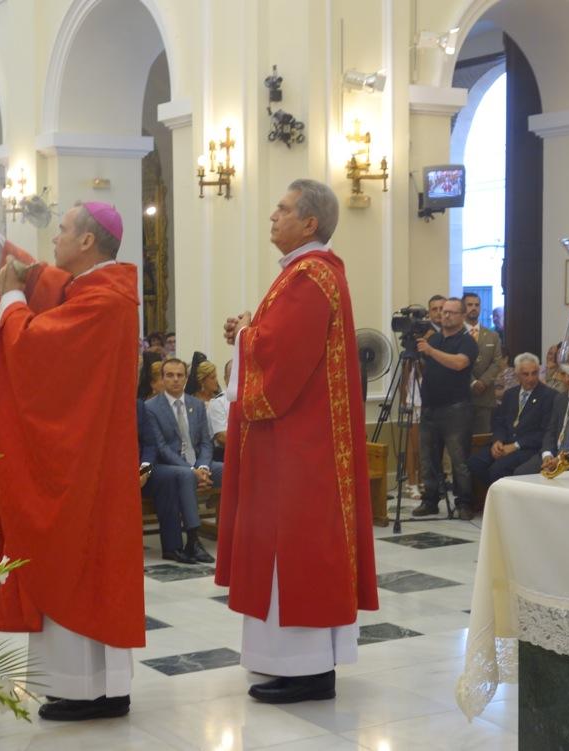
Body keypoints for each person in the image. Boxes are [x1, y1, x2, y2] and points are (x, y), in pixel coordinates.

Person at [0, 195, 143, 721]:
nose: (54, 238)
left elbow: (35, 348)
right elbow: (27, 269)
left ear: (87, 240)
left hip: (85, 466)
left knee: (79, 564)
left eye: (62, 230)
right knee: (80, 565)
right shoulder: (88, 287)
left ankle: (93, 691)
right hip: (88, 459)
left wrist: (12, 298)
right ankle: (88, 686)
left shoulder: (103, 300)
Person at [214, 179, 378, 705]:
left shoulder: (311, 276)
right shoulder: (303, 274)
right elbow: (279, 341)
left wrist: (247, 335)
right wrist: (248, 330)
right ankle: (290, 664)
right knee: (285, 548)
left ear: (310, 222)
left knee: (297, 549)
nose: (272, 216)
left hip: (299, 444)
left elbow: (282, 358)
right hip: (296, 438)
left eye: (282, 209)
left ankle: (308, 671)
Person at [144, 357, 221, 564]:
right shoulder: (151, 407)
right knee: (186, 475)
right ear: (162, 378)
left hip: (200, 464)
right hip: (171, 465)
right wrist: (192, 470)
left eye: (179, 375)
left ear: (186, 378)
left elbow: (206, 442)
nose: (175, 379)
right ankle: (193, 540)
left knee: (231, 470)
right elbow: (161, 448)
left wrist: (202, 467)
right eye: (170, 375)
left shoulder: (197, 405)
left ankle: (242, 531)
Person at [414, 297, 479, 520]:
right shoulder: (435, 339)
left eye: (451, 312)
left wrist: (431, 351)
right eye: (444, 312)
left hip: (455, 410)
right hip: (430, 408)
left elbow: (459, 363)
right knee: (428, 459)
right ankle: (430, 500)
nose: (446, 315)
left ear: (462, 316)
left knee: (459, 460)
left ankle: (464, 503)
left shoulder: (467, 341)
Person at [466, 353, 557, 489]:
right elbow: (500, 422)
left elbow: (545, 432)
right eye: (525, 374)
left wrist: (515, 445)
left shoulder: (549, 396)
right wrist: (497, 441)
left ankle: (502, 498)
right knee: (475, 462)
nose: (531, 378)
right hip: (504, 443)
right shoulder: (510, 394)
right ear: (517, 375)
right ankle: (495, 494)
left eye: (534, 373)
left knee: (498, 469)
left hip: (527, 448)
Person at [462, 292, 503, 434]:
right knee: (461, 441)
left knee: (483, 439)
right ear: (463, 307)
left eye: (477, 305)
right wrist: (473, 382)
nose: (474, 308)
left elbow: (497, 362)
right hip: (462, 397)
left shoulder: (492, 335)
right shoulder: (456, 334)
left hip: (485, 396)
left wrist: (483, 382)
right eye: (469, 305)